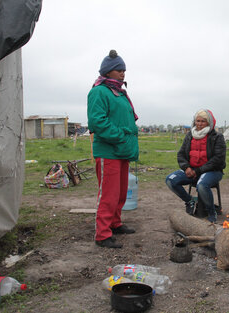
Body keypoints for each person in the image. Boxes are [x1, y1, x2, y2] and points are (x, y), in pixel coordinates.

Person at [87, 50, 139, 248]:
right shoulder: (98, 92)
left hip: (122, 149)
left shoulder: (119, 92)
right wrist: (119, 137)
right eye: (118, 69)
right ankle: (102, 234)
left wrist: (126, 140)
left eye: (124, 69)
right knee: (108, 195)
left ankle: (115, 223)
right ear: (107, 71)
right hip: (108, 150)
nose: (122, 73)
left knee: (120, 193)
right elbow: (97, 121)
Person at [165, 109, 226, 222]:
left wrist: (197, 171)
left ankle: (212, 213)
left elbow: (218, 160)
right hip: (192, 169)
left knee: (202, 184)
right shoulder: (190, 135)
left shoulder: (217, 137)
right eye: (197, 121)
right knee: (170, 180)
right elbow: (181, 154)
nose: (199, 124)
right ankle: (190, 201)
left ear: (209, 123)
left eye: (203, 121)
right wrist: (186, 167)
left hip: (213, 171)